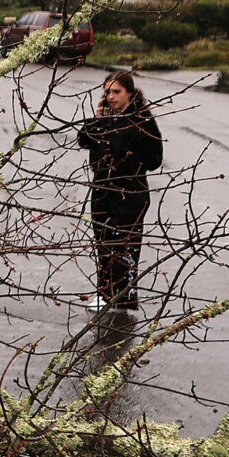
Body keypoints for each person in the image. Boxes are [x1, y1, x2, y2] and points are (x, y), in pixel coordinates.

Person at [77, 70, 163, 310]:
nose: (111, 97)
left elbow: (154, 159)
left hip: (129, 193)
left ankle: (122, 298)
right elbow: (83, 140)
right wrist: (98, 119)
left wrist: (129, 155)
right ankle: (106, 294)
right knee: (103, 245)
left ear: (130, 93)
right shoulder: (107, 118)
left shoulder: (142, 120)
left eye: (116, 92)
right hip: (102, 191)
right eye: (107, 92)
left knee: (123, 246)